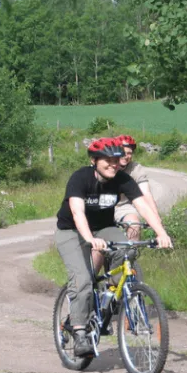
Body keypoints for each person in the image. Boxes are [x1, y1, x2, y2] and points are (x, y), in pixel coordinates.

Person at [54, 137, 173, 358]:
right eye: (107, 160)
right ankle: (79, 331)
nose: (113, 164)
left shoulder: (123, 179)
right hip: (71, 231)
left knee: (127, 248)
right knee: (82, 280)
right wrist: (90, 239)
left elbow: (142, 206)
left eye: (116, 160)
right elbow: (78, 212)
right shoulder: (80, 178)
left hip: (104, 228)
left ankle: (112, 292)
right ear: (94, 161)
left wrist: (161, 233)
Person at [113, 134, 161, 241]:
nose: (126, 156)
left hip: (123, 206)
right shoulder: (106, 165)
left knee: (134, 225)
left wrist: (156, 219)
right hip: (102, 205)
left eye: (129, 153)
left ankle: (130, 254)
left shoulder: (135, 168)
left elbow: (146, 193)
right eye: (122, 152)